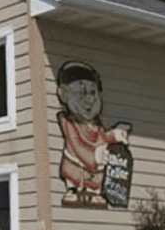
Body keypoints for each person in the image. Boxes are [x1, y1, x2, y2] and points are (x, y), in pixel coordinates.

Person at [56, 60, 131, 208]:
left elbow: (101, 138)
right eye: (80, 93)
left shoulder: (97, 124)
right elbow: (75, 145)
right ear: (64, 94)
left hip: (94, 170)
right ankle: (73, 190)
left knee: (97, 178)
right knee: (73, 173)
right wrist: (94, 157)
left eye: (92, 92)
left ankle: (93, 192)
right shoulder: (68, 122)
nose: (89, 99)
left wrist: (114, 135)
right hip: (75, 165)